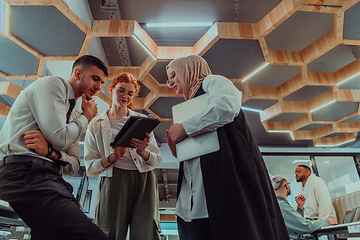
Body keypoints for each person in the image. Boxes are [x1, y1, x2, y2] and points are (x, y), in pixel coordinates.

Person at [165, 55, 289, 240]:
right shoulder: (188, 109)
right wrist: (176, 146)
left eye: (173, 75)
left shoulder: (212, 82)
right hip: (198, 196)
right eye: (169, 79)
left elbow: (226, 107)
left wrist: (184, 129)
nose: (171, 82)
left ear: (188, 69)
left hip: (226, 184)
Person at [0, 55, 109, 240]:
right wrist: (87, 116)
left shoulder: (73, 116)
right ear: (78, 73)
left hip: (51, 178)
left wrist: (51, 153)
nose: (99, 87)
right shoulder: (53, 84)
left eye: (102, 82)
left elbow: (73, 166)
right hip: (23, 172)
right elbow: (60, 139)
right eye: (95, 79)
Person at [84, 72, 162, 240]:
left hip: (144, 179)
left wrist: (144, 152)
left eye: (130, 93)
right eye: (121, 90)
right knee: (108, 230)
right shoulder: (95, 124)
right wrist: (113, 157)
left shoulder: (142, 120)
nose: (125, 96)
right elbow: (90, 167)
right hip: (113, 178)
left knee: (146, 232)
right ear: (111, 90)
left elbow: (156, 160)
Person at [271, 175, 337, 240]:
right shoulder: (282, 205)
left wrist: (300, 207)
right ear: (286, 186)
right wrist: (327, 221)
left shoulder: (277, 204)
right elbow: (305, 226)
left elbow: (295, 223)